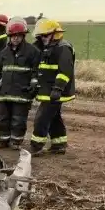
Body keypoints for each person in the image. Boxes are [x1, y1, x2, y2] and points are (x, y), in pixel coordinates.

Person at [0, 17, 40, 149]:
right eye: (13, 36)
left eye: (18, 36)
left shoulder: (33, 52)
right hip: (4, 93)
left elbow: (36, 71)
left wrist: (34, 84)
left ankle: (16, 141)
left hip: (22, 93)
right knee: (2, 118)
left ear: (23, 36)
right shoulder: (4, 53)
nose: (15, 38)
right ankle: (2, 140)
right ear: (9, 36)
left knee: (18, 119)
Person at [30, 19, 75, 155]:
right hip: (48, 90)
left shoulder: (63, 48)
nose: (42, 38)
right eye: (40, 36)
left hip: (55, 91)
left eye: (45, 35)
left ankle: (36, 146)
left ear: (55, 34)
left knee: (42, 118)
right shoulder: (48, 47)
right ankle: (59, 144)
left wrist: (58, 89)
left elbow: (65, 71)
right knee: (54, 117)